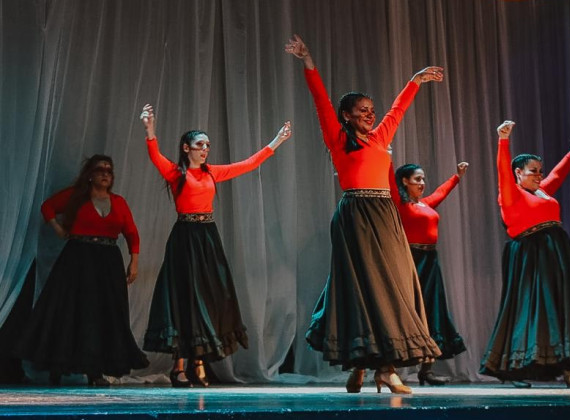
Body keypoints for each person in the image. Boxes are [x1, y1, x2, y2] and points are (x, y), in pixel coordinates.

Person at [285, 34, 442, 394]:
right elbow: (321, 101)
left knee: (395, 283)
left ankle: (365, 362)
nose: (370, 115)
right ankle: (382, 368)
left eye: (372, 110)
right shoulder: (338, 139)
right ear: (347, 116)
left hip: (385, 214)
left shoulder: (380, 135)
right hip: (356, 214)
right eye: (362, 111)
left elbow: (397, 110)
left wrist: (415, 81)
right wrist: (308, 60)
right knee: (367, 286)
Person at [139, 104, 292, 387]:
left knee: (208, 299)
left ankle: (199, 362)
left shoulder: (212, 173)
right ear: (187, 148)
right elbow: (154, 156)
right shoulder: (176, 174)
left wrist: (277, 141)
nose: (205, 149)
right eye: (200, 144)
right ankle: (180, 366)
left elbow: (248, 164)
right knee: (185, 297)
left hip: (207, 236)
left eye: (208, 145)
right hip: (185, 238)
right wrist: (150, 131)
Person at [480, 120, 570, 388]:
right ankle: (514, 367)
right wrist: (503, 141)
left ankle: (568, 367)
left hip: (554, 255)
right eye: (533, 171)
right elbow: (502, 171)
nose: (539, 175)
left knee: (558, 309)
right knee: (529, 309)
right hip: (530, 255)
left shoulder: (541, 192)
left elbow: (557, 176)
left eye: (540, 171)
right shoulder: (510, 193)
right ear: (518, 173)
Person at [15, 155, 148, 386]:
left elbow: (131, 233)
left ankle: (95, 371)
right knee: (71, 312)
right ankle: (58, 366)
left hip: (107, 261)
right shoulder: (75, 197)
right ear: (90, 174)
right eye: (100, 170)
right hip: (78, 259)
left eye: (109, 170)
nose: (105, 174)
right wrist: (57, 228)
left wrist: (134, 261)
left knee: (102, 314)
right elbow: (47, 207)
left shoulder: (118, 202)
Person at [389, 162, 469, 385]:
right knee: (408, 311)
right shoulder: (400, 203)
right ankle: (392, 368)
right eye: (417, 179)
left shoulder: (425, 204)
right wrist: (387, 158)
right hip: (411, 261)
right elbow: (390, 181)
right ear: (405, 181)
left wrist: (457, 176)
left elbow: (441, 193)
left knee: (432, 311)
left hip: (431, 261)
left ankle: (427, 370)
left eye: (423, 179)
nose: (422, 183)